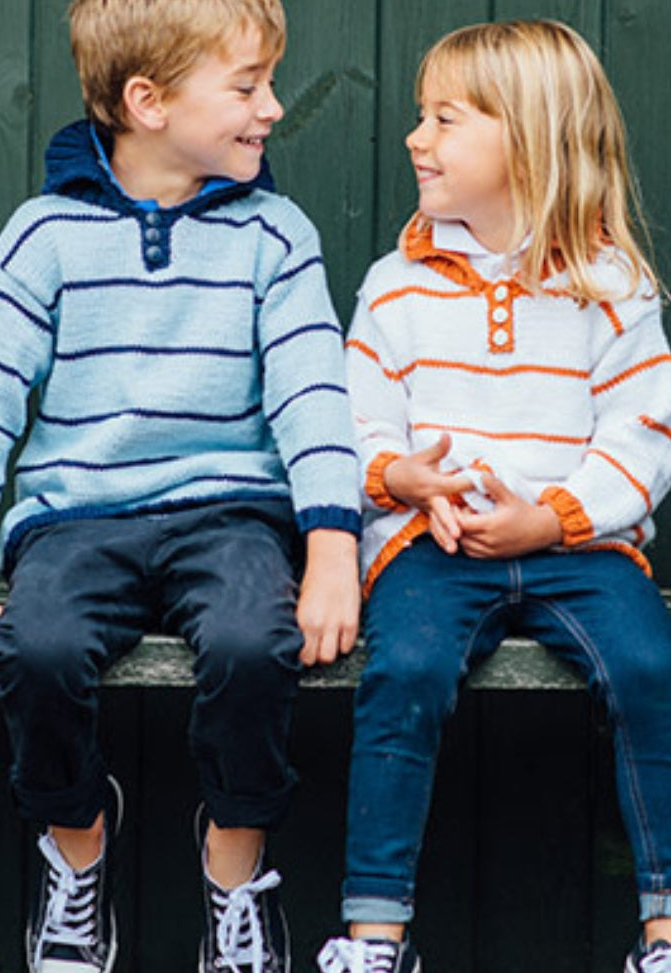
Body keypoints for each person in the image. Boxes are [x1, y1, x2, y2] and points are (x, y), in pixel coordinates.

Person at [0, 0, 362, 970]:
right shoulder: (45, 236)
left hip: (230, 514)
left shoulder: (275, 235)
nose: (272, 107)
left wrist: (331, 550)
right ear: (147, 102)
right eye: (245, 86)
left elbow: (314, 394)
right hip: (77, 518)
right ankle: (76, 846)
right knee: (38, 646)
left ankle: (235, 874)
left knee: (251, 641)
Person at [316, 19, 671, 973]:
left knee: (650, 668)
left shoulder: (615, 289)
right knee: (406, 675)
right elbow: (358, 420)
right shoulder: (396, 287)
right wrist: (402, 479)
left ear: (529, 138)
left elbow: (646, 435)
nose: (414, 138)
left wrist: (552, 515)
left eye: (444, 119)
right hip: (435, 546)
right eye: (418, 116)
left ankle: (664, 925)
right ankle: (375, 932)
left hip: (581, 548)